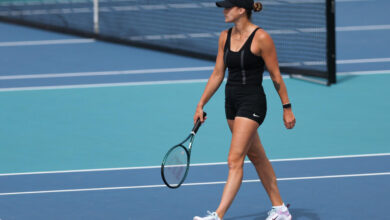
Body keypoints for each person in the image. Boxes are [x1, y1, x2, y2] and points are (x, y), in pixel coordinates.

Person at [192, 0, 296, 219]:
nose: (224, 11)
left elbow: (276, 76)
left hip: (253, 102)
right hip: (231, 102)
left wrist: (287, 108)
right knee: (257, 157)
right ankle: (281, 210)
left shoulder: (261, 38)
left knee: (234, 160)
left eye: (228, 7)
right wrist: (201, 104)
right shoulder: (224, 36)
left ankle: (217, 215)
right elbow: (218, 74)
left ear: (241, 10)